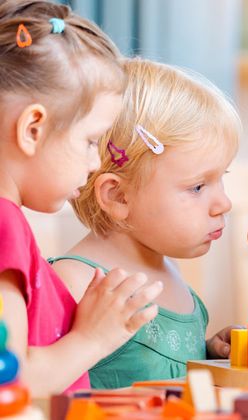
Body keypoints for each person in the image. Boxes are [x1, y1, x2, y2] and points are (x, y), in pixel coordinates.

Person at [0, 0, 162, 396]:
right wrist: (95, 338)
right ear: (33, 129)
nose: (96, 162)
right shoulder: (5, 226)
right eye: (91, 141)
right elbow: (11, 379)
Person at [51, 57, 242, 388]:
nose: (224, 203)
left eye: (221, 179)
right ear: (118, 197)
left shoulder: (170, 271)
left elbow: (155, 369)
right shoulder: (75, 281)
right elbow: (41, 384)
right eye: (198, 186)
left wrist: (207, 353)